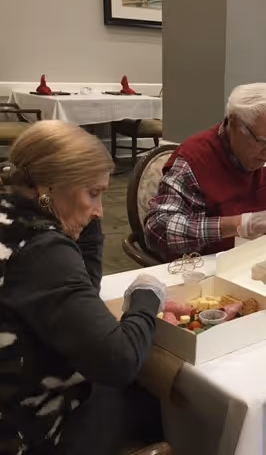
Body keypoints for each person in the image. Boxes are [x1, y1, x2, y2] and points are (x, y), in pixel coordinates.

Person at [0, 121, 167, 455]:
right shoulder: (41, 249)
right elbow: (119, 360)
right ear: (49, 186)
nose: (100, 210)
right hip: (25, 431)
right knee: (162, 399)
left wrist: (85, 222)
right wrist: (147, 297)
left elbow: (83, 291)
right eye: (93, 193)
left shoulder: (11, 215)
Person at [145, 83, 266, 261]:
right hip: (210, 269)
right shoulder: (193, 161)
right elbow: (158, 230)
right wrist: (239, 224)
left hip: (263, 259)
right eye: (263, 142)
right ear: (235, 124)